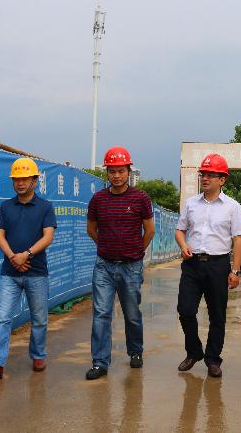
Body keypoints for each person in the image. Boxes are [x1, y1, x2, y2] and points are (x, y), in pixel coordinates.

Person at [0, 158, 56, 379]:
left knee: (39, 318)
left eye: (24, 179)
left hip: (36, 272)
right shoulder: (6, 207)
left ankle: (38, 355)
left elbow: (48, 237)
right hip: (10, 273)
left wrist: (26, 255)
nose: (20, 183)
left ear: (34, 181)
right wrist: (13, 257)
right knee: (2, 318)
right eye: (16, 179)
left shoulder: (45, 207)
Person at [85, 146, 155, 380]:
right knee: (101, 314)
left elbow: (150, 230)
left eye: (121, 171)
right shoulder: (98, 199)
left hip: (131, 266)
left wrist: (136, 251)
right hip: (104, 266)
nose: (116, 175)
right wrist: (106, 246)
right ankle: (100, 362)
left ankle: (135, 351)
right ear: (107, 172)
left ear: (128, 172)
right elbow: (91, 229)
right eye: (112, 171)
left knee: (132, 313)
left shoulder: (140, 198)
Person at [174, 153, 241, 378]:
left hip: (218, 265)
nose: (205, 178)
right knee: (185, 310)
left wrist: (235, 271)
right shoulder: (191, 204)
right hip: (192, 264)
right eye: (203, 174)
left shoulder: (232, 207)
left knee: (217, 315)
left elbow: (238, 239)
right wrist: (183, 244)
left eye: (211, 175)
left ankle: (213, 359)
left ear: (222, 179)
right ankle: (194, 351)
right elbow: (180, 230)